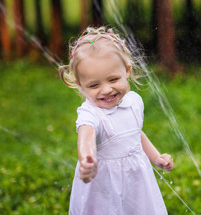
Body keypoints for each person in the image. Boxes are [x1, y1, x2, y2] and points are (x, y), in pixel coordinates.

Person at [59, 26, 174, 215]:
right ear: (80, 85)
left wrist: (156, 157)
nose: (106, 90)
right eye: (94, 85)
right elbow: (86, 137)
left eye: (113, 80)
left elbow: (136, 134)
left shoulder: (133, 102)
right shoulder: (91, 114)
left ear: (127, 70)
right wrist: (87, 158)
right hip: (103, 186)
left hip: (136, 181)